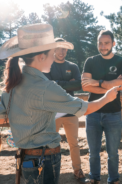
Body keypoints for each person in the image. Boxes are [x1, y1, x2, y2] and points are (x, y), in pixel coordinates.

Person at [0, 24, 119, 184]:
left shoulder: (11, 83)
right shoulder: (46, 87)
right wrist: (107, 97)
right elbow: (85, 109)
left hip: (24, 157)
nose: (55, 57)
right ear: (41, 56)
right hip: (44, 159)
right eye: (52, 53)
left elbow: (0, 119)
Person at [81, 30, 122, 184]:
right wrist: (110, 87)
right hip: (93, 112)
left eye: (106, 43)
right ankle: (94, 178)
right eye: (100, 43)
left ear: (113, 44)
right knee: (93, 152)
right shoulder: (90, 61)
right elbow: (85, 86)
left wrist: (98, 82)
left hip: (114, 113)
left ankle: (113, 179)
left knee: (113, 153)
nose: (103, 46)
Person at [44, 38, 89, 183]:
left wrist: (58, 83)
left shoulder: (73, 66)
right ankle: (50, 171)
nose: (62, 51)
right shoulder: (48, 65)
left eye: (64, 48)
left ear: (67, 50)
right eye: (59, 48)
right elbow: (48, 87)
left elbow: (78, 85)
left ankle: (77, 170)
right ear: (54, 49)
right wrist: (67, 85)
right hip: (53, 111)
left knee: (73, 143)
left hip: (70, 110)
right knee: (51, 143)